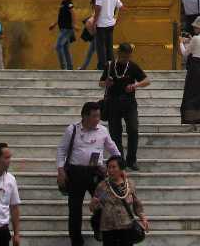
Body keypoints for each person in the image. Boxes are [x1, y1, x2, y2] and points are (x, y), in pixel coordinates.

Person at [57, 101, 119, 246]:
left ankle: (98, 227)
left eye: (99, 116)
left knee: (104, 203)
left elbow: (113, 148)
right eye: (94, 116)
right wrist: (60, 170)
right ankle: (76, 240)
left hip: (96, 172)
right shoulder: (72, 130)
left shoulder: (102, 130)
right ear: (84, 116)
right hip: (76, 172)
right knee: (75, 208)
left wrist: (116, 166)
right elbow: (61, 150)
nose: (97, 119)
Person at [100, 43, 150, 170]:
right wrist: (107, 83)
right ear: (118, 54)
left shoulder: (132, 66)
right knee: (115, 133)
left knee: (133, 129)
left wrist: (135, 86)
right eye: (123, 57)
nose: (125, 59)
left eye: (127, 57)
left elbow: (147, 80)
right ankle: (120, 160)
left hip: (129, 103)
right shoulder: (110, 65)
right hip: (113, 103)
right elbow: (100, 82)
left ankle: (131, 160)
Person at [90, 155, 148, 245]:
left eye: (114, 167)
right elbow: (93, 209)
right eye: (109, 167)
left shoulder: (129, 184)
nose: (111, 170)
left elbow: (137, 204)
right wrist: (93, 203)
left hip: (126, 225)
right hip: (108, 226)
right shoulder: (102, 186)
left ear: (121, 169)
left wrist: (143, 217)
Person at [179, 14, 200, 132]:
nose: (194, 29)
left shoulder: (196, 38)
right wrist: (190, 39)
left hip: (196, 69)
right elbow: (199, 45)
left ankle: (192, 124)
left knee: (191, 95)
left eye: (196, 27)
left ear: (199, 28)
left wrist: (181, 43)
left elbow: (185, 53)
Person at [94, 0, 123, 71]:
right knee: (109, 45)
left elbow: (98, 8)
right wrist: (116, 19)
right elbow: (121, 7)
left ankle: (102, 66)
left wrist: (94, 21)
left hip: (101, 24)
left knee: (100, 45)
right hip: (111, 24)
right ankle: (111, 65)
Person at [52, 0, 76, 71]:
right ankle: (70, 68)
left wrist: (73, 24)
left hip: (67, 29)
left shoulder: (68, 1)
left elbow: (73, 12)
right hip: (63, 29)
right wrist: (55, 24)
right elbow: (61, 17)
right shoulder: (62, 3)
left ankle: (63, 68)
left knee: (58, 46)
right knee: (66, 49)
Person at [79, 0, 97, 70]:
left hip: (96, 34)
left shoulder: (98, 10)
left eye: (92, 4)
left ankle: (102, 66)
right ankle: (84, 67)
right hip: (94, 34)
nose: (92, 6)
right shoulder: (96, 11)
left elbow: (91, 22)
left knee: (99, 52)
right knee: (89, 52)